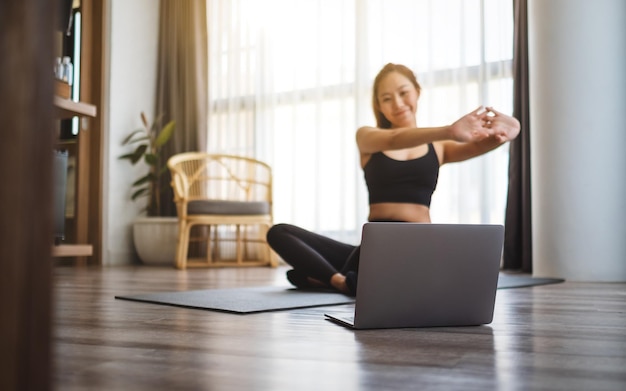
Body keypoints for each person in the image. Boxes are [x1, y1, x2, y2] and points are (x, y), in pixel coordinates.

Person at [266, 63, 520, 296]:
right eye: (386, 98)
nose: (397, 103)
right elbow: (394, 139)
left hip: (418, 244)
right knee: (280, 233)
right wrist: (450, 130)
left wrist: (511, 129)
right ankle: (342, 282)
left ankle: (339, 278)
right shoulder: (368, 137)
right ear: (378, 105)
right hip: (375, 246)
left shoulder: (440, 146)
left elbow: (486, 143)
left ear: (417, 92)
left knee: (301, 274)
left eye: (403, 92)